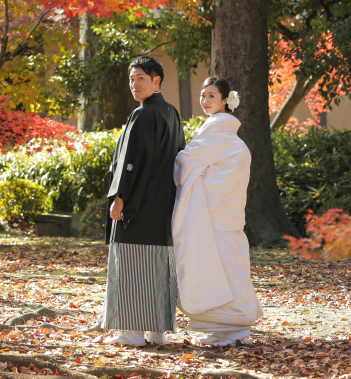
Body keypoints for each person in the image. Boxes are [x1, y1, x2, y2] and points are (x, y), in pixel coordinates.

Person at [101, 56, 186, 347]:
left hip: (139, 206)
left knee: (132, 263)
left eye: (140, 78)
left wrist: (120, 198)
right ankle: (157, 331)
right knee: (157, 266)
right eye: (131, 79)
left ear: (156, 81)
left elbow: (131, 162)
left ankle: (134, 332)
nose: (134, 84)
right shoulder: (172, 113)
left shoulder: (143, 114)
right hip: (162, 206)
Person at [172, 76, 263, 346]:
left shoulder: (217, 134)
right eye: (203, 95)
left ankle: (230, 326)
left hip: (212, 215)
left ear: (226, 100)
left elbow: (185, 162)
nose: (205, 101)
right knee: (229, 266)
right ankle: (230, 325)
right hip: (225, 214)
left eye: (211, 96)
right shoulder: (227, 136)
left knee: (220, 266)